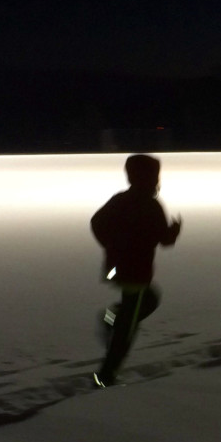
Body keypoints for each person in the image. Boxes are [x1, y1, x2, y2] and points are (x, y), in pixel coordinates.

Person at [90, 154, 181, 387]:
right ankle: (104, 378)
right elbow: (165, 241)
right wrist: (174, 230)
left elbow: (96, 222)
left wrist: (110, 246)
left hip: (119, 269)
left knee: (146, 301)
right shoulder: (151, 206)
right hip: (137, 272)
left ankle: (112, 318)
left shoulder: (120, 199)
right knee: (127, 329)